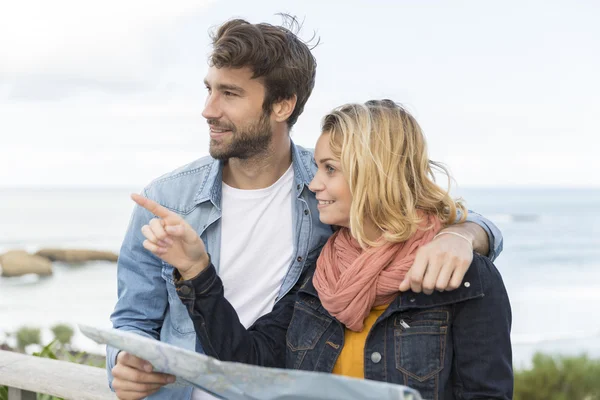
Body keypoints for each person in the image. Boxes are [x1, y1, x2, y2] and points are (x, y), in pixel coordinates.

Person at [108, 16, 504, 400]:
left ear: (282, 105)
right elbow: (136, 323)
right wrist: (124, 364)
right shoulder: (166, 200)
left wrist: (464, 234)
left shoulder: (327, 201)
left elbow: (412, 212)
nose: (208, 109)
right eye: (209, 89)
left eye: (229, 93)